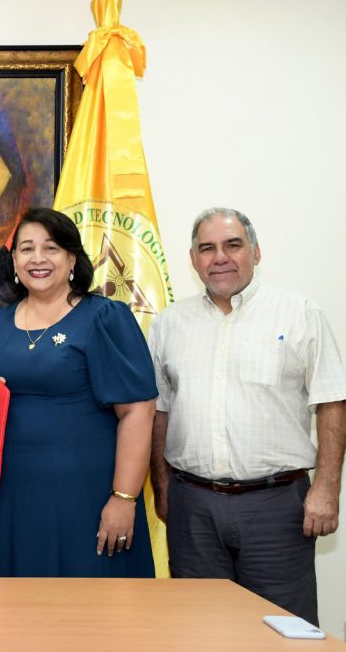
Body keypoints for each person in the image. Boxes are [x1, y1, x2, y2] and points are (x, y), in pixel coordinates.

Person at [148, 208, 346, 625]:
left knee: (283, 632)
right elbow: (159, 411)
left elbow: (332, 401)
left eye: (233, 245)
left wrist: (327, 487)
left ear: (255, 252)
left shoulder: (299, 312)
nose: (220, 257)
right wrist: (163, 487)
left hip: (277, 507)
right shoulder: (168, 324)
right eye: (207, 248)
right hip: (193, 507)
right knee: (198, 630)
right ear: (193, 259)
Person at [0, 206, 156, 577]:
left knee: (88, 605)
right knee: (18, 605)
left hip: (87, 498)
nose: (37, 258)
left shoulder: (104, 318)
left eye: (50, 248)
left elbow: (138, 411)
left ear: (71, 259)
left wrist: (124, 498)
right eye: (26, 248)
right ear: (14, 261)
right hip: (10, 498)